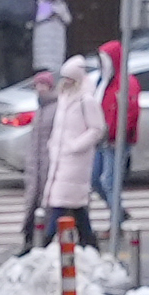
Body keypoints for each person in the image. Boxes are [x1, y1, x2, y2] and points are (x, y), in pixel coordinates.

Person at [41, 55, 104, 250]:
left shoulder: (86, 100)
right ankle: (90, 244)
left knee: (60, 203)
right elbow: (60, 127)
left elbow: (97, 129)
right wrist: (54, 145)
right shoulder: (64, 98)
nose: (64, 82)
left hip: (75, 161)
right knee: (76, 206)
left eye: (68, 78)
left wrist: (75, 145)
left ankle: (45, 243)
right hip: (61, 157)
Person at [91, 39, 141, 231]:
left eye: (105, 59)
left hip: (116, 140)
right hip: (101, 139)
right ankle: (118, 211)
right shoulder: (103, 81)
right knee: (95, 180)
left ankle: (116, 223)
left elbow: (129, 112)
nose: (102, 63)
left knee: (109, 181)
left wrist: (116, 134)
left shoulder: (127, 83)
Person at [18, 70, 57, 255]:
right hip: (36, 164)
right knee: (32, 203)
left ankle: (44, 242)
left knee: (48, 205)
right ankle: (28, 239)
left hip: (49, 163)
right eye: (37, 85)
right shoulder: (40, 108)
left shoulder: (55, 108)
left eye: (43, 85)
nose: (39, 89)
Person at [32, 0, 72, 74]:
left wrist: (59, 14)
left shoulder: (61, 5)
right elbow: (36, 19)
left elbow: (68, 19)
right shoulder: (41, 4)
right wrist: (48, 15)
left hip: (57, 36)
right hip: (43, 36)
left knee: (56, 59)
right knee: (44, 59)